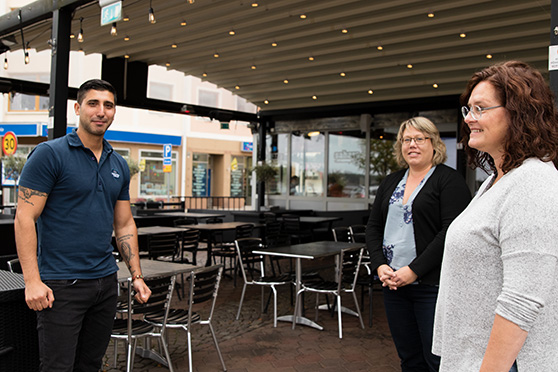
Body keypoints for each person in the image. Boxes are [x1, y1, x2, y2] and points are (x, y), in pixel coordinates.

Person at [14, 79, 151, 372]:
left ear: (114, 112)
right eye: (93, 103)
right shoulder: (50, 154)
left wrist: (136, 275)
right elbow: (25, 218)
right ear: (78, 108)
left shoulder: (119, 164)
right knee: (57, 366)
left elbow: (125, 224)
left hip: (105, 282)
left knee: (90, 364)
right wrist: (32, 281)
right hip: (62, 285)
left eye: (108, 105)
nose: (101, 111)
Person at [432, 61, 558, 372]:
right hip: (474, 356)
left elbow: (523, 300)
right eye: (468, 109)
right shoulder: (496, 180)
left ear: (519, 113)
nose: (470, 119)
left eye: (481, 108)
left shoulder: (533, 183)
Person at [366, 117, 471, 372]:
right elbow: (373, 227)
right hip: (393, 285)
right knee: (409, 357)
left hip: (432, 287)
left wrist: (413, 271)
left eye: (419, 139)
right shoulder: (391, 182)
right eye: (406, 140)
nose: (412, 144)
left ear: (434, 144)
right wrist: (380, 266)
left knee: (437, 359)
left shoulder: (449, 180)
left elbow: (451, 232)